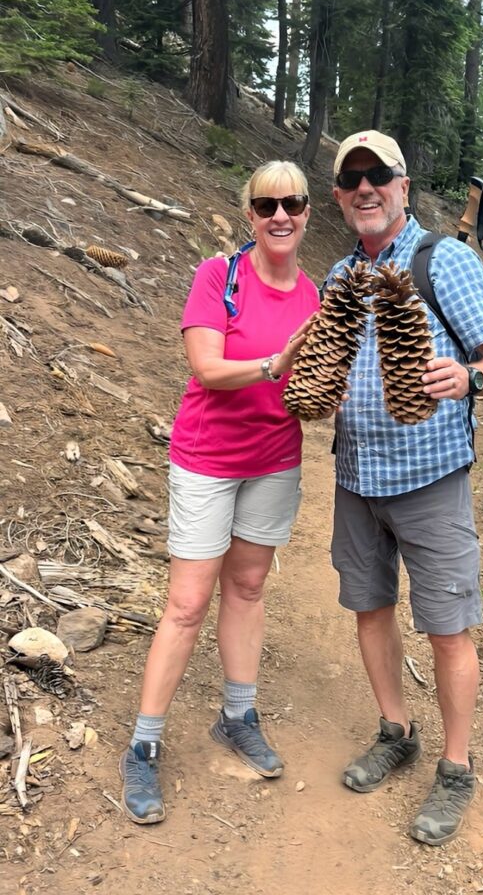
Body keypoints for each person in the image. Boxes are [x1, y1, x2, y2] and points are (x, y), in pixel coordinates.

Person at [328, 130, 483, 846]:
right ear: (340, 196)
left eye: (378, 175)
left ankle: (456, 767)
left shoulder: (446, 261)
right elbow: (329, 361)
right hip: (355, 479)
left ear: (402, 186)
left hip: (432, 479)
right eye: (352, 180)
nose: (365, 189)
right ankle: (396, 731)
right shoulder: (339, 277)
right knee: (370, 609)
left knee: (447, 629)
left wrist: (468, 377)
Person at [120, 160, 320, 825]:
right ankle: (144, 743)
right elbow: (205, 368)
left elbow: (314, 386)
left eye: (292, 203)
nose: (280, 216)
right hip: (208, 458)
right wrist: (274, 363)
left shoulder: (314, 295)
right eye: (267, 206)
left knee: (249, 586)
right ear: (250, 215)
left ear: (308, 210)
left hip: (274, 459)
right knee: (186, 601)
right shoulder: (220, 276)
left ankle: (237, 716)